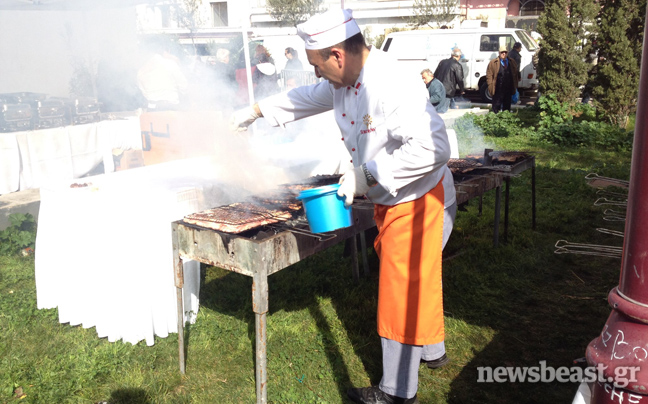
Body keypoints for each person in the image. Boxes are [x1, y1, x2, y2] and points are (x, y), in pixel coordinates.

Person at [230, 9, 456, 404]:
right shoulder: (343, 81)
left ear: (337, 55)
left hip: (417, 195)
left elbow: (434, 148)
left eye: (317, 65)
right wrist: (255, 112)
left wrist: (363, 176)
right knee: (421, 276)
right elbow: (304, 98)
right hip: (394, 194)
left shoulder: (391, 82)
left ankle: (397, 391)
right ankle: (432, 350)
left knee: (399, 291)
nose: (316, 74)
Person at [137, 38, 188, 110]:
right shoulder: (171, 64)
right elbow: (184, 85)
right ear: (165, 51)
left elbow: (144, 93)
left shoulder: (141, 71)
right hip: (170, 108)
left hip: (152, 109)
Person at [486, 45, 520, 113]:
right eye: (502, 52)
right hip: (497, 89)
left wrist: (515, 85)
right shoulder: (493, 63)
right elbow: (489, 75)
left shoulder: (512, 62)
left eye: (505, 52)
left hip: (508, 89)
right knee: (496, 108)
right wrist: (490, 86)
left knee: (507, 108)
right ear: (499, 53)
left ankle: (505, 121)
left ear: (507, 53)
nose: (504, 54)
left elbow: (515, 73)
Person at [433, 48, 465, 113]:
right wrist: (462, 90)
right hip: (448, 90)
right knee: (442, 110)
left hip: (438, 88)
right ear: (459, 56)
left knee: (438, 107)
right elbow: (460, 79)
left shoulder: (442, 62)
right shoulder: (457, 65)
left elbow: (435, 74)